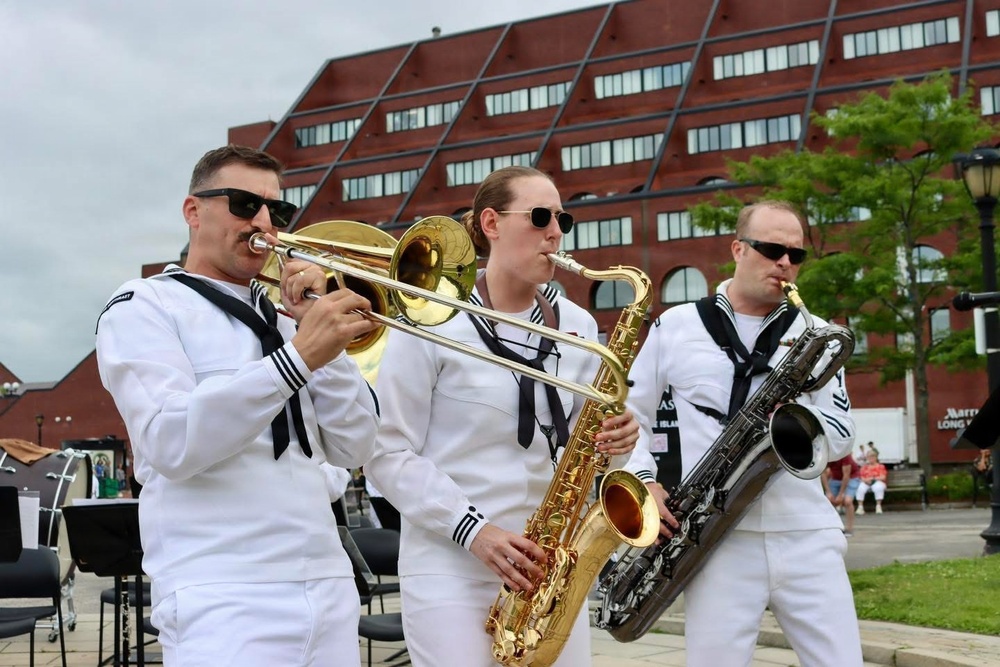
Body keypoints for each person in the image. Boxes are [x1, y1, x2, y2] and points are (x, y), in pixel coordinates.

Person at [95, 144, 381, 667]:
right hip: (222, 590)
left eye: (279, 210)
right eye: (245, 204)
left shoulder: (289, 316)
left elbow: (353, 445)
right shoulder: (146, 305)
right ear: (193, 211)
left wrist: (324, 340)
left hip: (327, 582)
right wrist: (297, 359)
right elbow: (169, 441)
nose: (266, 222)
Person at [363, 165, 640, 667]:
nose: (555, 233)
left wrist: (617, 439)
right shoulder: (431, 317)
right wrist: (474, 531)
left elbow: (586, 450)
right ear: (490, 223)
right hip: (452, 564)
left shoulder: (577, 325)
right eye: (539, 218)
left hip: (550, 572)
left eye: (562, 219)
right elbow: (386, 452)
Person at [625, 200, 862, 666]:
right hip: (715, 539)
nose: (785, 264)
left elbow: (840, 431)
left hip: (806, 532)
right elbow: (629, 414)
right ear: (737, 248)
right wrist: (643, 483)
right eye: (772, 249)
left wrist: (788, 421)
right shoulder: (675, 326)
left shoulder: (816, 333)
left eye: (796, 255)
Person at [822, 454, 860, 534]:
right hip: (835, 478)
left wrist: (840, 494)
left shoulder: (845, 455)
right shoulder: (826, 455)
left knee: (848, 501)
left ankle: (849, 529)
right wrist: (828, 492)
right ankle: (832, 527)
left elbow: (846, 475)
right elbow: (823, 473)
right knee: (827, 501)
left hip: (851, 477)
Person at [855, 447, 888, 514]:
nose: (871, 458)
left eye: (873, 457)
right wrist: (866, 480)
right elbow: (860, 477)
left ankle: (878, 506)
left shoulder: (881, 466)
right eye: (869, 457)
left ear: (876, 457)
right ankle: (860, 507)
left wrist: (873, 479)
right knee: (860, 487)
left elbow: (883, 477)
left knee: (878, 487)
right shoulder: (864, 467)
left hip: (877, 481)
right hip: (866, 482)